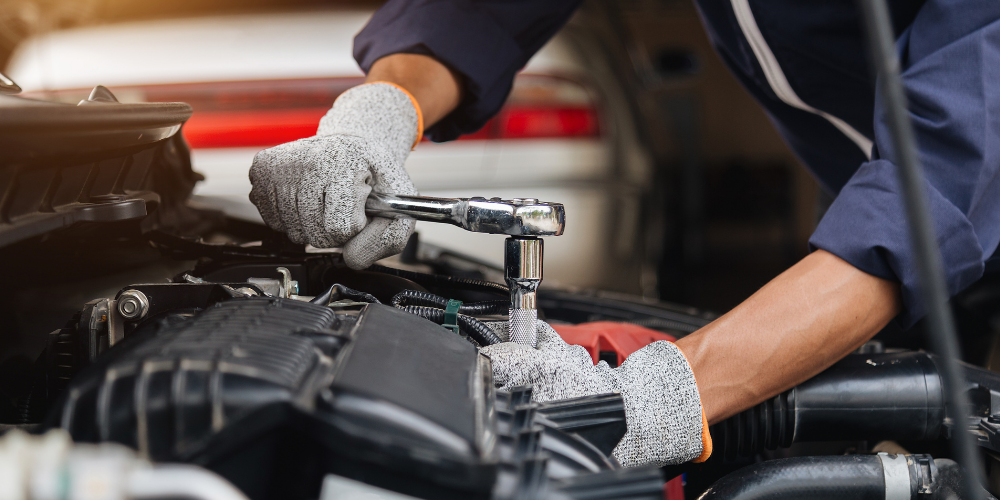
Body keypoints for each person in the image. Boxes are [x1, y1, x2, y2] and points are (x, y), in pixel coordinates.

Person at [248, 0, 1000, 468]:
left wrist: (657, 399)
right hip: (909, 237)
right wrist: (379, 112)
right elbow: (476, 11)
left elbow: (938, 183)